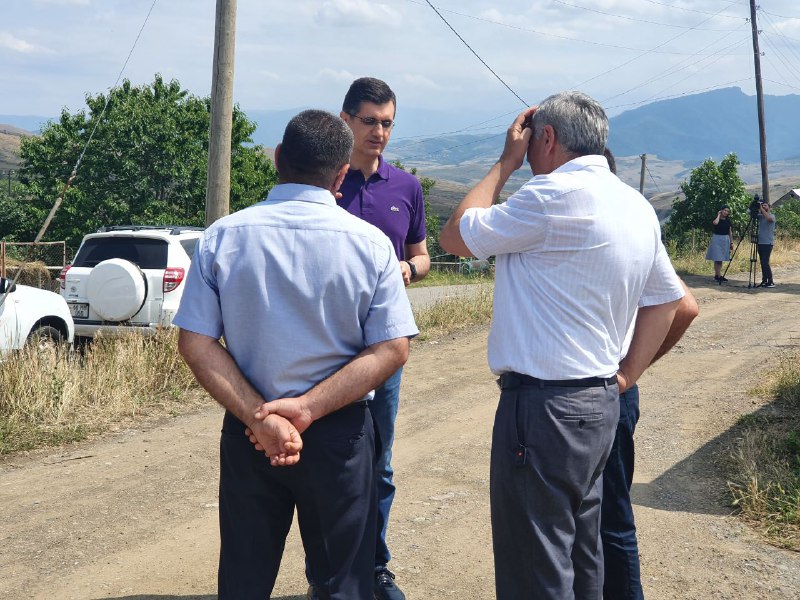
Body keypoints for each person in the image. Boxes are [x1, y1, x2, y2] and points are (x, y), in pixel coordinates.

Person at [439, 91, 685, 599]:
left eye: (531, 143)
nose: (528, 154)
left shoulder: (549, 196)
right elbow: (670, 301)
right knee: (581, 554)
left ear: (547, 137)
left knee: (536, 565)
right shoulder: (635, 205)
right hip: (600, 402)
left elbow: (455, 236)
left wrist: (504, 163)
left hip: (544, 409)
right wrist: (626, 376)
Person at [173, 109, 419, 600]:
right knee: (343, 584)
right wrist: (307, 408)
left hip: (250, 432)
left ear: (278, 158)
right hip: (339, 435)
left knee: (244, 579)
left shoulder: (224, 236)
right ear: (341, 174)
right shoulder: (371, 245)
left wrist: (260, 417)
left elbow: (195, 342)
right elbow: (393, 348)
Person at [311, 76, 429, 600]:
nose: (379, 132)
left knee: (378, 463)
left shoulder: (406, 188)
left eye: (387, 124)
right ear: (345, 121)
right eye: (369, 122)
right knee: (324, 466)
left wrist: (408, 268)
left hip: (382, 348)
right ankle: (326, 576)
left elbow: (423, 255)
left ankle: (375, 568)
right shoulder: (322, 186)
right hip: (324, 345)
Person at [599, 149, 700, 600]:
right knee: (612, 516)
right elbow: (685, 306)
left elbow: (686, 306)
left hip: (604, 388)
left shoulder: (604, 225)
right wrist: (632, 372)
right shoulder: (633, 222)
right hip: (619, 391)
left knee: (605, 519)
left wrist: (628, 372)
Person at [705, 205, 733, 283]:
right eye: (725, 210)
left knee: (720, 259)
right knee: (717, 258)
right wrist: (718, 215)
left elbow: (730, 232)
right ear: (721, 210)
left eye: (728, 211)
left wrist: (731, 242)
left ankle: (717, 275)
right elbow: (715, 223)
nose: (726, 212)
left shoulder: (728, 221)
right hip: (717, 239)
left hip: (725, 239)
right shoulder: (717, 219)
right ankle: (718, 276)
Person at [756, 196, 776, 287]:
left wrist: (761, 209)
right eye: (762, 205)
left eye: (765, 205)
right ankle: (764, 280)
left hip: (768, 243)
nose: (763, 207)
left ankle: (771, 281)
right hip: (760, 242)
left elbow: (769, 219)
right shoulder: (760, 216)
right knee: (762, 262)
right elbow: (749, 213)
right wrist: (754, 206)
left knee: (765, 262)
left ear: (769, 207)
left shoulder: (772, 216)